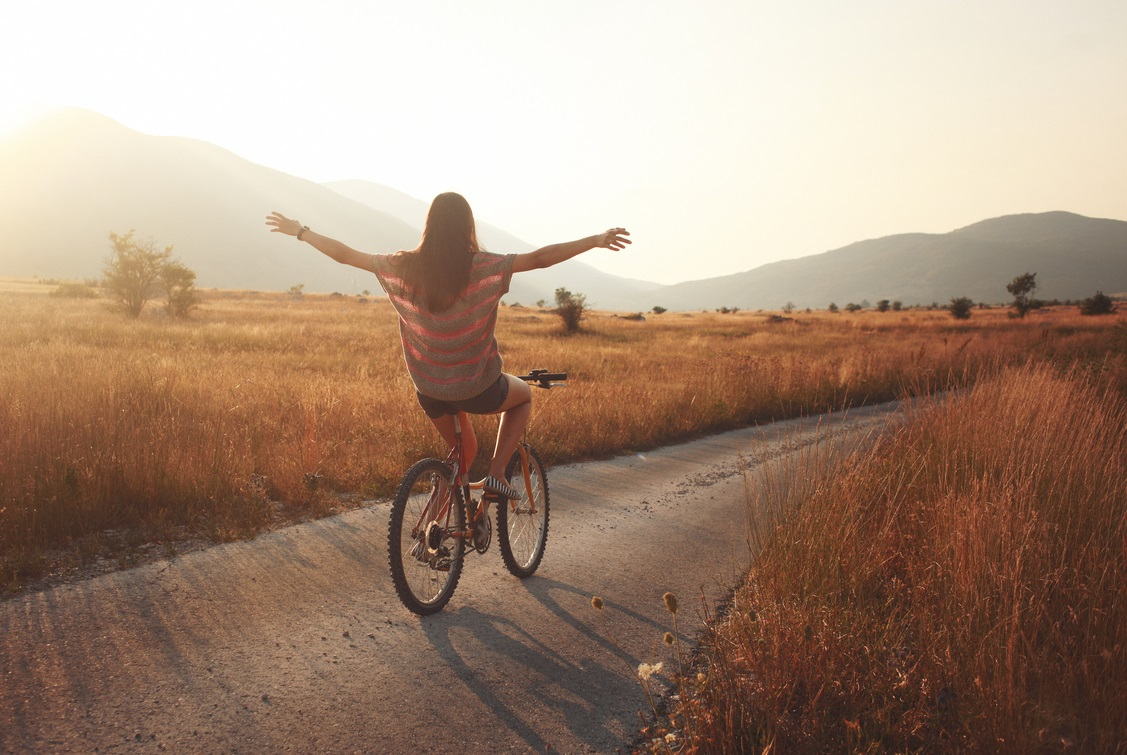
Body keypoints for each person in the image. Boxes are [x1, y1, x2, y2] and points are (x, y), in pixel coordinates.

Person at [265, 192, 630, 521]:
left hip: (429, 389)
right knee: (524, 397)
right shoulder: (484, 266)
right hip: (478, 388)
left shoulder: (403, 266)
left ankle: (431, 531)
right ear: (467, 227)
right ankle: (499, 475)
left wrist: (301, 231)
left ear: (429, 226)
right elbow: (539, 259)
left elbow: (344, 255)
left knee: (462, 454)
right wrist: (595, 240)